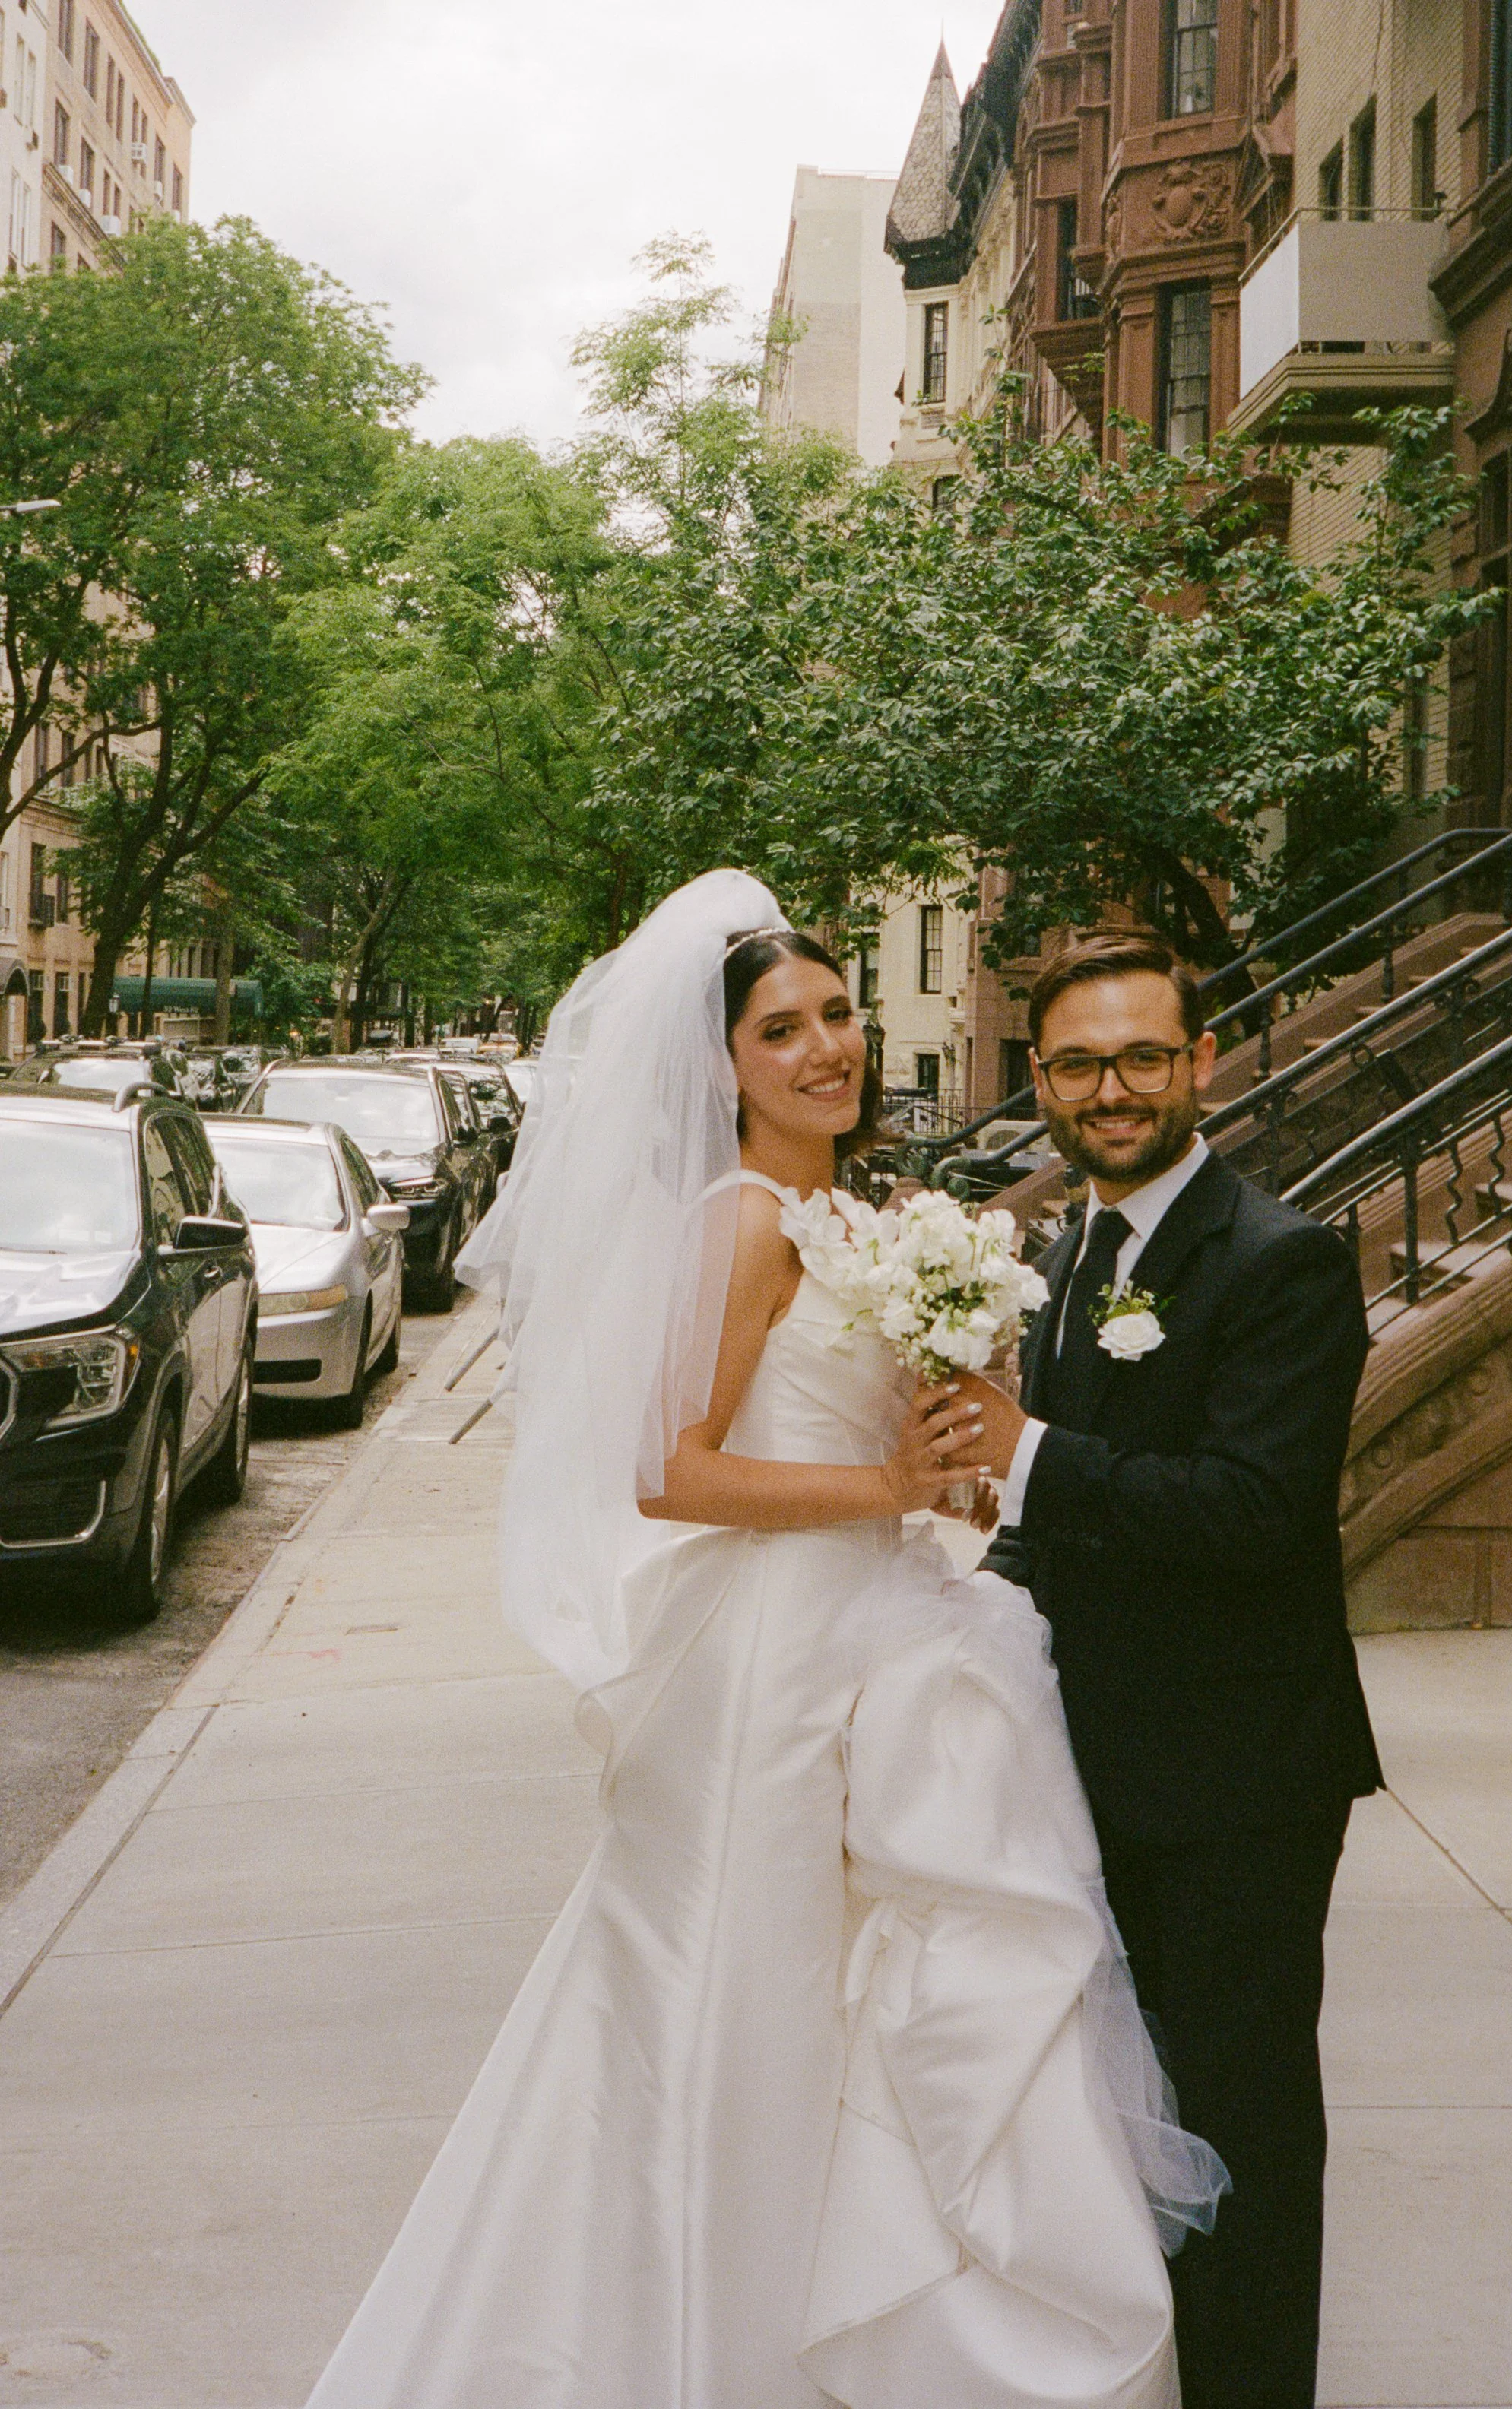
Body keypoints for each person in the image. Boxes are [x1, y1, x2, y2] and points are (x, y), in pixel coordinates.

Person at [302, 873, 1225, 2409]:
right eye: (781, 1029)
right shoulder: (742, 1225)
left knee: (869, 2017)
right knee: (745, 2004)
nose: (825, 1049)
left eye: (840, 1014)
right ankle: (700, 2344)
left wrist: (956, 1415)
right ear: (722, 1063)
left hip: (884, 1633)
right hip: (768, 1674)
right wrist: (888, 1483)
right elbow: (669, 1471)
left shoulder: (849, 1219)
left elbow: (910, 1445)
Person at [943, 930, 1385, 2409]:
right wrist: (972, 1605)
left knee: (1240, 2135)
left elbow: (1255, 1516)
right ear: (1043, 1085)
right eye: (1077, 1063)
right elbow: (1059, 1521)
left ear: (1201, 1064)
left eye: (1142, 1056)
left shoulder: (1282, 1262)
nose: (1111, 1089)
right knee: (1138, 2139)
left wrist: (1036, 1460)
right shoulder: (1075, 1251)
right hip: (1096, 1770)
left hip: (1237, 1785)